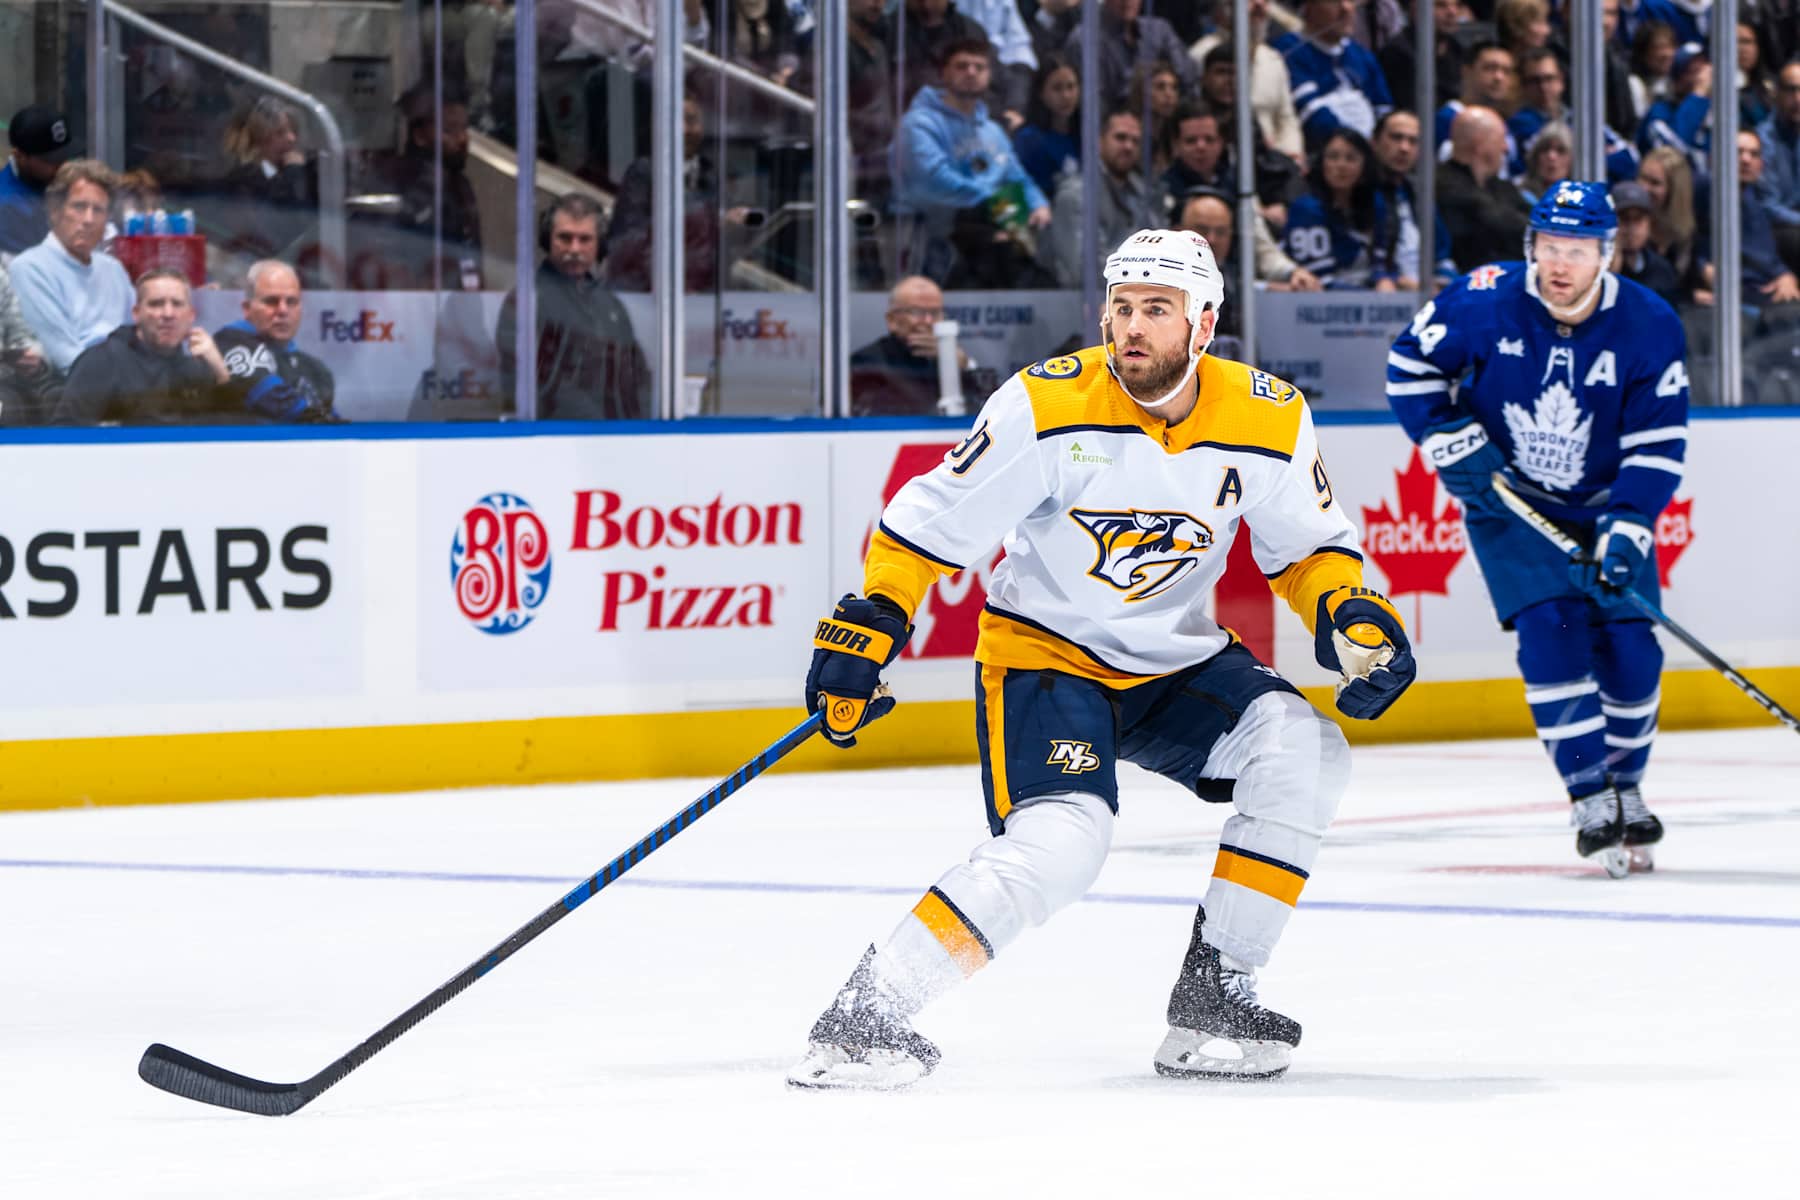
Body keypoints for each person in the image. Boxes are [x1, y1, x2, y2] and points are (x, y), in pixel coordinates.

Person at [789, 227, 1417, 1090]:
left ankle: (1217, 994)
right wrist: (874, 620)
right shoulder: (1047, 405)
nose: (1131, 326)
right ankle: (869, 1013)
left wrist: (1351, 612)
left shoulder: (1268, 415)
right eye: (1121, 306)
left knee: (1305, 753)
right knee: (1060, 845)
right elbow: (928, 526)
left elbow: (1308, 550)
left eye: (1157, 310)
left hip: (1175, 662)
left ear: (1204, 326)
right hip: (1048, 657)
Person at [1386, 181, 1689, 875]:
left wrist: (1630, 525)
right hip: (1510, 504)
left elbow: (1657, 441)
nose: (1559, 264)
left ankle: (1628, 784)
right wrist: (1445, 437)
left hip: (1608, 502)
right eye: (1549, 247)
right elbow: (1409, 367)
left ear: (1607, 254)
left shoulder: (1649, 323)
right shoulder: (1483, 298)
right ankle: (1589, 793)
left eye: (1576, 250)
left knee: (1632, 650)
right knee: (1550, 629)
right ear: (1531, 246)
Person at [891, 36, 1051, 285]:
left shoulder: (992, 131)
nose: (971, 72)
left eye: (979, 67)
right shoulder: (918, 124)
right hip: (924, 237)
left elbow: (1016, 176)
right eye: (962, 66)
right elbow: (934, 180)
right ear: (943, 72)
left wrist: (1037, 204)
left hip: (985, 236)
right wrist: (998, 204)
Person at [498, 194, 649, 421]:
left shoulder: (611, 305)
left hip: (620, 440)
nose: (575, 249)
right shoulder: (526, 301)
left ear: (600, 245)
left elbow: (637, 378)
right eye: (565, 238)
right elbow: (530, 383)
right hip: (557, 442)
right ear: (547, 240)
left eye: (585, 239)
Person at [55, 267, 230, 424]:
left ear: (191, 315)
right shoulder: (102, 361)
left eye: (177, 304)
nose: (168, 314)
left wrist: (220, 371)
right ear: (136, 314)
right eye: (156, 304)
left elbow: (232, 436)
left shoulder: (195, 367)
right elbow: (64, 435)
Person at [9, 160, 134, 375]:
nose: (88, 220)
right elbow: (66, 358)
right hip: (82, 392)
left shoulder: (113, 269)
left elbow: (141, 337)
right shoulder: (29, 269)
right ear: (55, 211)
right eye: (79, 207)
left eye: (98, 210)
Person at [213, 260, 340, 423]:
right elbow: (275, 402)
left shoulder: (317, 371)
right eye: (271, 301)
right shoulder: (228, 343)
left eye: (291, 302)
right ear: (247, 308)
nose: (283, 310)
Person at [1046, 109, 1155, 287]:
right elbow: (1084, 271)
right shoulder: (1076, 195)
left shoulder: (1143, 192)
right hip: (1083, 308)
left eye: (1135, 141)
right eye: (1120, 138)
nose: (1128, 146)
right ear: (1099, 141)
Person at [849, 274, 985, 416]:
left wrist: (965, 366)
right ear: (892, 320)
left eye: (935, 313)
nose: (927, 321)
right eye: (917, 312)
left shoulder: (952, 360)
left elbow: (989, 406)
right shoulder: (867, 362)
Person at [1283, 128, 1399, 290]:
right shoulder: (1306, 209)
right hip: (1322, 302)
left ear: (1365, 166)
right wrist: (1373, 298)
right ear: (1321, 162)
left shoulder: (1375, 202)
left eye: (1351, 158)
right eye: (1333, 157)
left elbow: (1381, 261)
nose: (1341, 165)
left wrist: (1384, 280)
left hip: (1368, 297)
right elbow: (1320, 280)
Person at [1276, 0, 1394, 152]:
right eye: (1335, 2)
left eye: (1350, 1)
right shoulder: (1289, 51)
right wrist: (1359, 147)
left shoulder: (1362, 55)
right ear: (1308, 8)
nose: (1347, 9)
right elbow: (1311, 114)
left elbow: (1383, 108)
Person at [1437, 106, 1532, 272]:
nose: (1505, 148)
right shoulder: (1444, 184)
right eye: (1501, 138)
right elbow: (1497, 222)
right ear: (1480, 143)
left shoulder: (1502, 187)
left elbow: (1535, 224)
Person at [1066, 0, 1197, 110]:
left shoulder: (1160, 30)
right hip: (1114, 132)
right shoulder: (1084, 40)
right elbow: (1097, 106)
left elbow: (1187, 80)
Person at [0, 105, 80, 257]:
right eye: (50, 160)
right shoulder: (6, 207)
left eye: (64, 156)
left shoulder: (52, 180)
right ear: (19, 156)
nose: (61, 165)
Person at [1012, 54, 1081, 199]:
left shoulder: (1085, 135)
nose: (1066, 96)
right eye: (1057, 88)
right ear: (1041, 93)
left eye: (1071, 87)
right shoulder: (1028, 140)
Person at [1611, 179, 1682, 304]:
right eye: (1624, 218)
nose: (1632, 228)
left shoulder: (1662, 269)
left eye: (1638, 219)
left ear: (1649, 223)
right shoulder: (1601, 270)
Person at [0, 259, 53, 424]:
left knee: (54, 395)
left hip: (5, 376)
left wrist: (31, 357)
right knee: (9, 408)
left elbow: (20, 330)